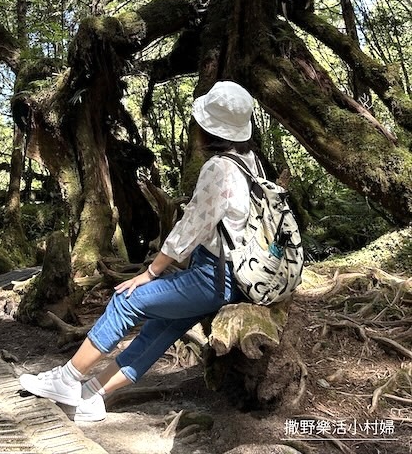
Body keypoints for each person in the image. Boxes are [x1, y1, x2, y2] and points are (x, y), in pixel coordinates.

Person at [19, 80, 258, 422]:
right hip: (238, 273)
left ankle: (69, 379)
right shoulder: (250, 162)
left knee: (127, 298)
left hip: (216, 276)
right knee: (161, 326)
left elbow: (191, 227)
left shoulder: (220, 168)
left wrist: (150, 272)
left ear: (209, 129)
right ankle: (92, 397)